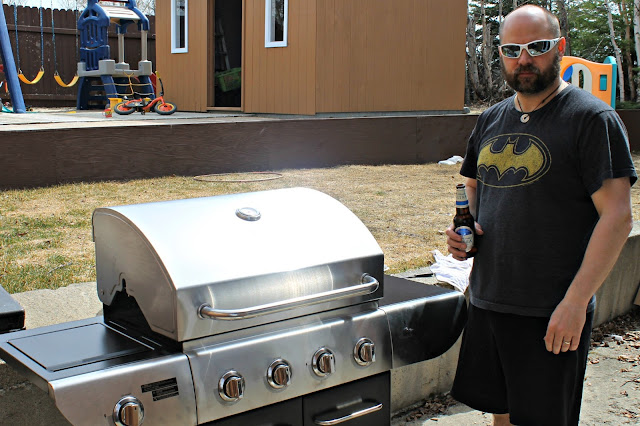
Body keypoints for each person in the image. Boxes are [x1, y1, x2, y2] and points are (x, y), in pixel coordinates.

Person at [445, 5, 637, 426]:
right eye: (512, 50)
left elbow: (618, 218)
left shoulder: (591, 119)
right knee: (501, 413)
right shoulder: (492, 119)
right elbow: (473, 186)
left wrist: (576, 302)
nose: (524, 59)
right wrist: (465, 230)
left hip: (551, 310)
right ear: (500, 54)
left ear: (560, 47)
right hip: (490, 299)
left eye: (537, 46)